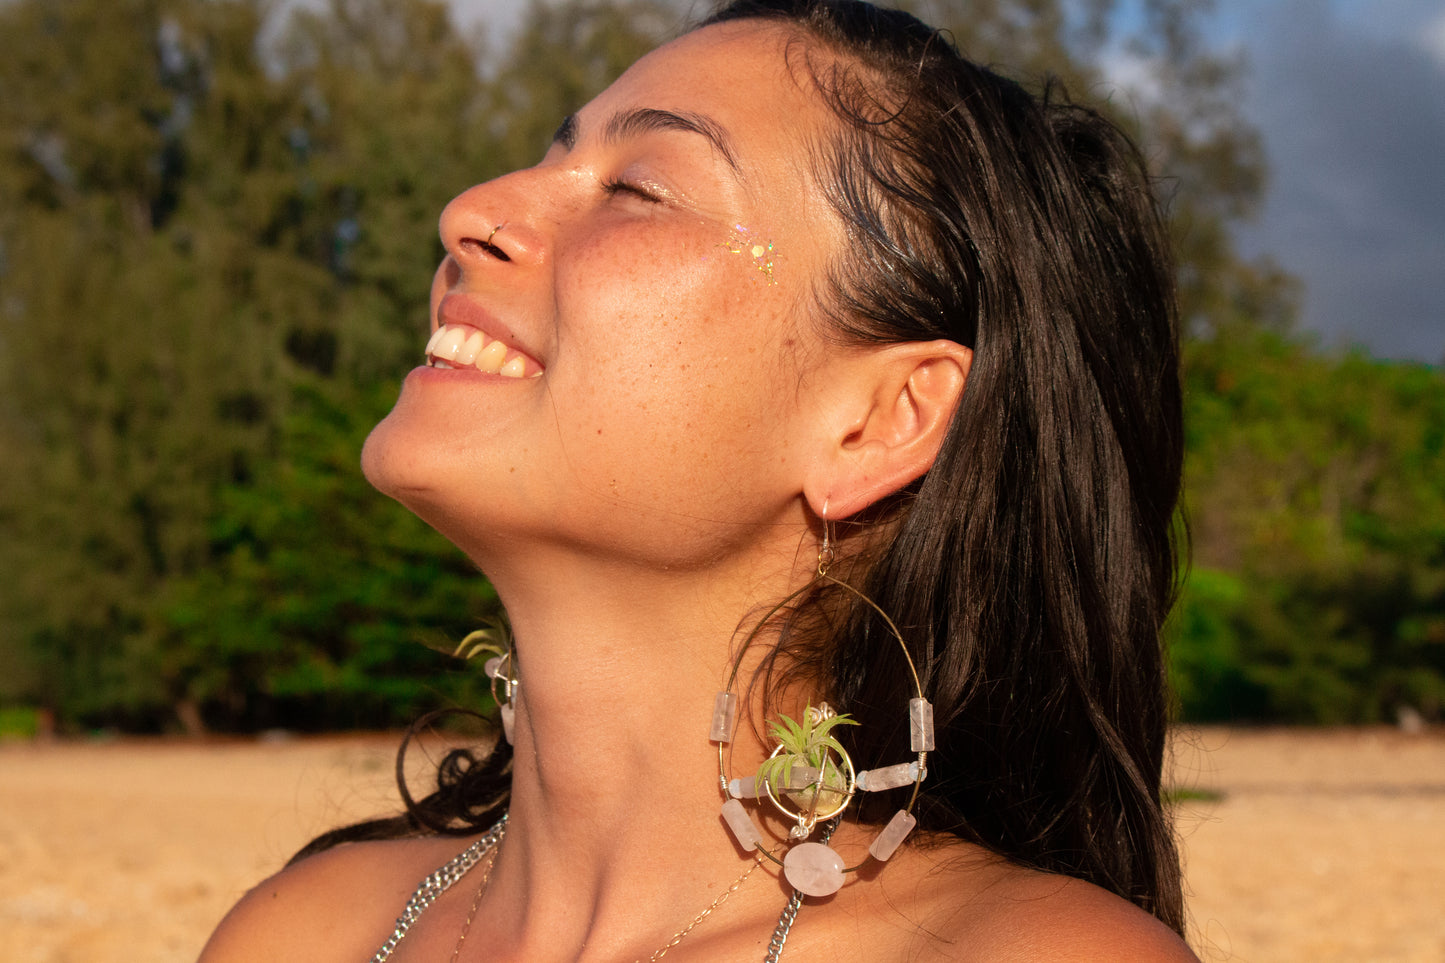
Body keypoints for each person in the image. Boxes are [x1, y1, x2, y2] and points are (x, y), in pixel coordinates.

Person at [201, 0, 1198, 959]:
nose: (469, 212)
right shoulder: (301, 935)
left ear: (875, 422)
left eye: (637, 188)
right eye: (552, 157)